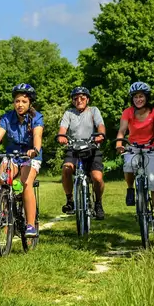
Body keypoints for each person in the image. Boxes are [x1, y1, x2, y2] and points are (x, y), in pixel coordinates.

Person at [0, 83, 43, 237]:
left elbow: (37, 135)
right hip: (13, 155)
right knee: (2, 178)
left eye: (23, 101)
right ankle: (5, 211)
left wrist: (34, 150)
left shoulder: (37, 117)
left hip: (30, 156)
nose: (20, 104)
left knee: (26, 183)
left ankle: (30, 225)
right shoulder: (8, 117)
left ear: (30, 103)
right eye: (17, 101)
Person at [115, 81, 154, 232]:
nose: (139, 99)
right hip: (133, 147)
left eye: (141, 96)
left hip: (151, 147)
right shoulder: (127, 112)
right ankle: (130, 189)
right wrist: (119, 142)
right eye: (136, 97)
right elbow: (122, 130)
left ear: (146, 97)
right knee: (128, 166)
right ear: (132, 99)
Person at [57, 86, 107, 219]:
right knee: (67, 169)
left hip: (91, 147)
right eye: (75, 98)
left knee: (97, 177)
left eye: (82, 98)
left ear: (87, 99)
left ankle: (98, 203)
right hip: (73, 147)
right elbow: (63, 128)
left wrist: (100, 134)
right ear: (73, 101)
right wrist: (62, 136)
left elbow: (100, 125)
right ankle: (70, 200)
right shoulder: (69, 113)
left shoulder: (94, 111)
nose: (79, 100)